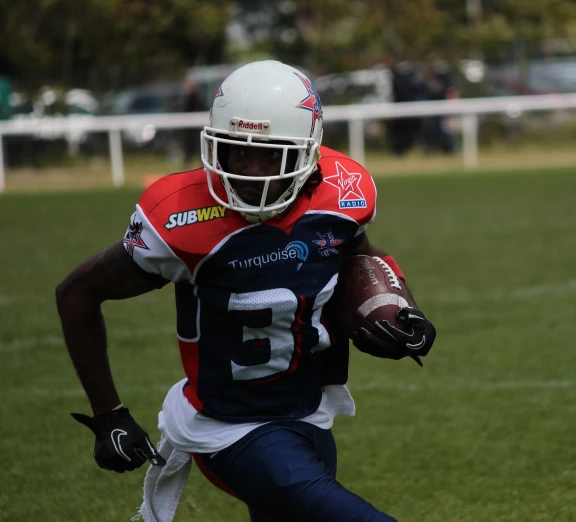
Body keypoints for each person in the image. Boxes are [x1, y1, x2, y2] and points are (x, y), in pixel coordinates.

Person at [55, 60, 437, 522]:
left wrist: (399, 309)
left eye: (271, 155)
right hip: (227, 428)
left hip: (308, 412)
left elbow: (358, 257)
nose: (251, 172)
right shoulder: (180, 219)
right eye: (238, 152)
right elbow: (76, 293)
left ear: (307, 154)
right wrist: (108, 414)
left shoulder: (344, 193)